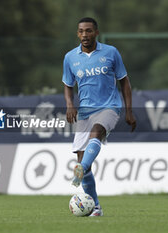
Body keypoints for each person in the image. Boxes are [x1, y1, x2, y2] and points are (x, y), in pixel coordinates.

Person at [62, 17, 136, 217]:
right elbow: (68, 85)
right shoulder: (70, 57)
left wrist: (129, 110)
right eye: (81, 31)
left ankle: (81, 168)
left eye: (88, 31)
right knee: (84, 166)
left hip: (109, 107)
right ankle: (95, 207)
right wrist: (70, 105)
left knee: (97, 132)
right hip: (84, 112)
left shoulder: (111, 52)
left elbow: (125, 82)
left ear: (96, 32)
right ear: (77, 34)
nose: (84, 35)